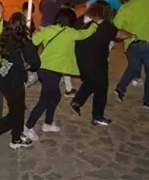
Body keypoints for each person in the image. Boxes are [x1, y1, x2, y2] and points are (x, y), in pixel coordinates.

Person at [23, 9, 98, 140]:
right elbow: (85, 34)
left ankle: (48, 123)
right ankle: (28, 127)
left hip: (45, 69)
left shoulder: (47, 29)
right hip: (52, 72)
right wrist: (95, 25)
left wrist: (36, 32)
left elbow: (33, 42)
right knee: (45, 100)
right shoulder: (70, 32)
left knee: (56, 96)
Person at [0, 13, 40, 153]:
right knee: (15, 114)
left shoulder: (4, 37)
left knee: (18, 109)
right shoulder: (24, 42)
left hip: (3, 77)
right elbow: (35, 63)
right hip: (15, 81)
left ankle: (16, 138)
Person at [70, 3, 131, 125]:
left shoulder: (80, 21)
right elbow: (120, 34)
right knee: (101, 88)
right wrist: (132, 34)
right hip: (97, 62)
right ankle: (97, 116)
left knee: (90, 81)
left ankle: (77, 101)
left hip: (81, 59)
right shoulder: (105, 26)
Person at [113, 0, 149, 108]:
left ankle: (120, 88)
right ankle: (148, 100)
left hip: (132, 42)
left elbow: (117, 25)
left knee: (133, 68)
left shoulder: (127, 6)